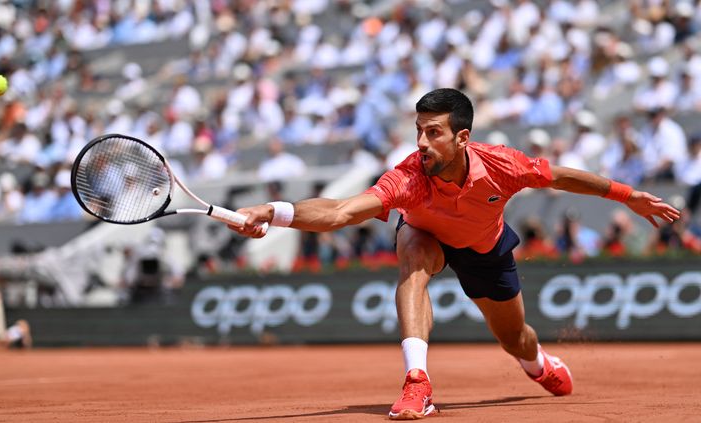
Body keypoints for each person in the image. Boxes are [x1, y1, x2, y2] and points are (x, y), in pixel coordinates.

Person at [229, 88, 680, 420]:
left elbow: (561, 177)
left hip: (484, 248)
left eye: (433, 132)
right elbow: (342, 212)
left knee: (514, 338)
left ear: (461, 137)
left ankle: (537, 363)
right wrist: (274, 211)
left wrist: (628, 196)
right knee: (413, 266)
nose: (421, 143)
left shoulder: (503, 164)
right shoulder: (409, 175)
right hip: (426, 235)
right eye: (418, 132)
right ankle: (416, 382)